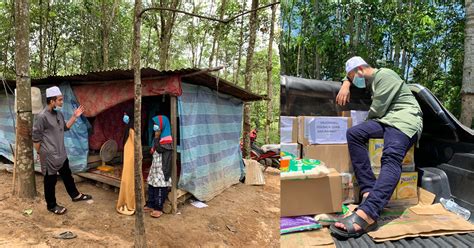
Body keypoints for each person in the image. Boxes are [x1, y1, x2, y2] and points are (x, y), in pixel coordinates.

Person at [330, 57, 423, 238]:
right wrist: (346, 83)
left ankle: (369, 213)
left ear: (360, 70)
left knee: (390, 158)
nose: (354, 81)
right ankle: (368, 190)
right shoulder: (367, 79)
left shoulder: (385, 75)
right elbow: (353, 76)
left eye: (352, 77)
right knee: (354, 133)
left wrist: (349, 80)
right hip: (387, 121)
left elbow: (377, 109)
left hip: (404, 120)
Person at [32, 86, 92, 215]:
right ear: (52, 101)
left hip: (61, 154)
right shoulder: (42, 117)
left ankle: (75, 195)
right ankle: (51, 205)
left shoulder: (58, 114)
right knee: (50, 182)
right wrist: (41, 153)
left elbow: (65, 127)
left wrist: (75, 116)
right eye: (59, 100)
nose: (61, 102)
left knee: (67, 176)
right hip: (49, 156)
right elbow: (36, 139)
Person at [144, 115, 173, 218]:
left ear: (162, 125)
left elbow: (160, 149)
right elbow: (154, 150)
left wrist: (156, 137)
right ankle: (150, 204)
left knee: (160, 187)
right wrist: (156, 138)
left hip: (162, 168)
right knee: (151, 184)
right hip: (155, 166)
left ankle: (158, 208)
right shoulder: (158, 138)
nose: (155, 126)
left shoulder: (167, 139)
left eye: (157, 124)